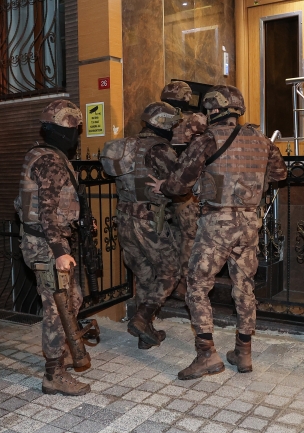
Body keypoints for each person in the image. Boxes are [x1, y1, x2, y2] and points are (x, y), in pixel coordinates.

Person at [148, 85, 287, 379]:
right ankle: (243, 352)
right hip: (249, 223)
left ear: (213, 110)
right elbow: (280, 174)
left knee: (197, 284)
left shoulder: (207, 140)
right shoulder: (261, 140)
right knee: (244, 287)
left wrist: (164, 186)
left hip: (216, 225)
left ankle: (206, 355)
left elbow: (180, 184)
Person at [14, 99, 91, 396]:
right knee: (57, 307)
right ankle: (53, 374)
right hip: (46, 243)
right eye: (72, 130)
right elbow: (47, 211)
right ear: (59, 131)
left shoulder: (44, 154)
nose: (75, 136)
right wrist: (59, 250)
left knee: (73, 298)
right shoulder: (50, 161)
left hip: (44, 239)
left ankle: (62, 352)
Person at [100, 102, 182, 350]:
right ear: (163, 123)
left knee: (144, 276)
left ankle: (146, 335)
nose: (173, 130)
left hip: (124, 218)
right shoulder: (161, 150)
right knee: (170, 272)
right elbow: (178, 184)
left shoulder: (125, 145)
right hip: (149, 219)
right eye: (172, 125)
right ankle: (142, 318)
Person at [161, 81, 206, 301]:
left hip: (166, 187)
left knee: (175, 237)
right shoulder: (195, 119)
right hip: (187, 191)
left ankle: (174, 283)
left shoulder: (160, 117)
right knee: (190, 238)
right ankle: (186, 286)